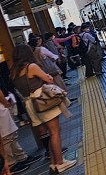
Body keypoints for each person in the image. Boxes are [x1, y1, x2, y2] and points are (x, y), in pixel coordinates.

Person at [10, 45, 74, 173]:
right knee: (55, 132)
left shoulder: (14, 72)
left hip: (31, 105)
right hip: (42, 101)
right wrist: (47, 76)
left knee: (51, 133)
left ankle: (53, 163)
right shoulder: (31, 67)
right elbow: (48, 79)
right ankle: (60, 162)